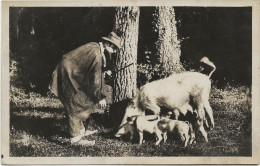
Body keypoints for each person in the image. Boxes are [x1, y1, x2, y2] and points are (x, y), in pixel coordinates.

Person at [49, 32, 121, 145]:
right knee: (75, 102)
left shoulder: (95, 46)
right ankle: (75, 138)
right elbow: (96, 78)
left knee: (81, 99)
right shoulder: (97, 55)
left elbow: (93, 69)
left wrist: (104, 72)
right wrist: (101, 97)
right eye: (114, 48)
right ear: (107, 44)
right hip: (68, 73)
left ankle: (80, 130)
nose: (115, 51)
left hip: (72, 71)